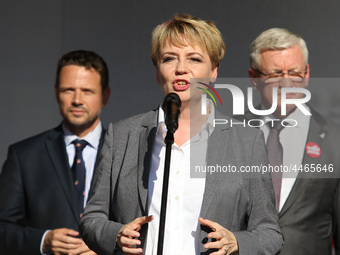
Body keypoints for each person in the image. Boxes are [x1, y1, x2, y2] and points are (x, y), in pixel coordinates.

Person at [80, 14, 283, 255]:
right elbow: (92, 218)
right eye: (169, 59)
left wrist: (236, 242)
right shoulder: (123, 135)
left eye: (195, 59)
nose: (181, 69)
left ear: (213, 72)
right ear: (158, 71)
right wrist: (115, 235)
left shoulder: (246, 140)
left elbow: (270, 233)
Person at [0, 50, 111, 255]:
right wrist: (43, 240)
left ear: (105, 95)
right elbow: (3, 228)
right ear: (56, 92)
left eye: (87, 91)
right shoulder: (24, 155)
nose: (77, 100)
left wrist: (106, 247)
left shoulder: (125, 152)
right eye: (68, 90)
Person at [243, 28, 340, 254]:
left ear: (306, 75)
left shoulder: (335, 140)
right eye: (275, 74)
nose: (286, 83)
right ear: (254, 79)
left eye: (294, 73)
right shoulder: (230, 134)